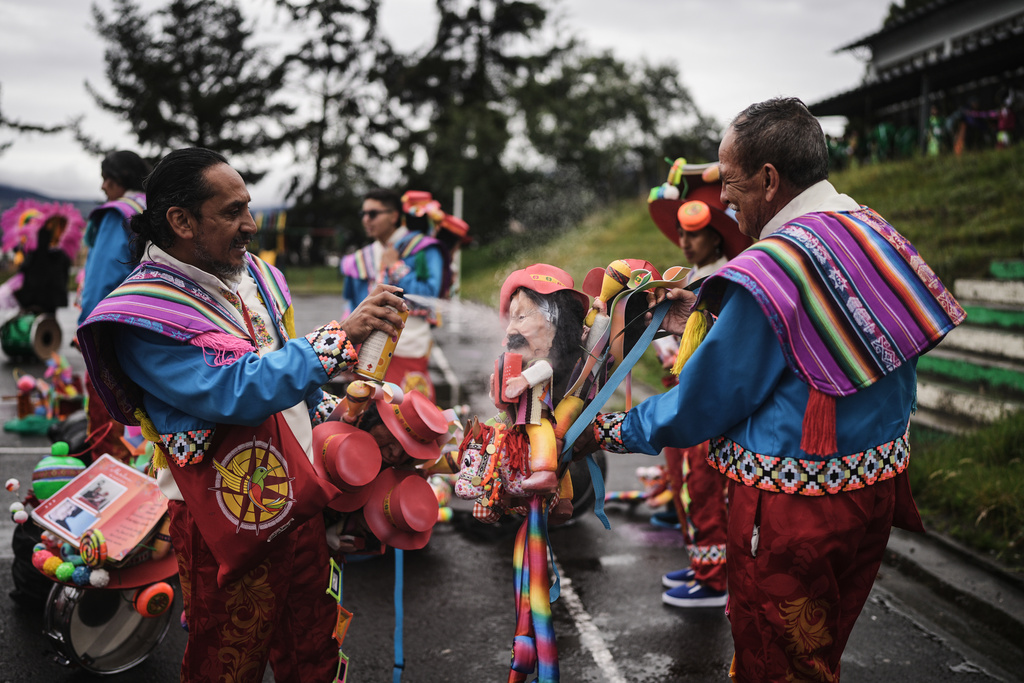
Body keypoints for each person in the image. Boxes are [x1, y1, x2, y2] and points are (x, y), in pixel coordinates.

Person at [587, 98, 965, 680]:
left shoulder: (777, 264)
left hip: (796, 513)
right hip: (873, 492)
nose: (723, 200)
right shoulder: (868, 228)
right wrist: (711, 312)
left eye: (729, 182)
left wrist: (608, 428)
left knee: (775, 662)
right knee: (818, 656)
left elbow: (704, 402)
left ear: (768, 179)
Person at [77, 147, 407, 683]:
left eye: (247, 207)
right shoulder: (142, 313)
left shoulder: (256, 275)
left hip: (298, 496)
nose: (250, 225)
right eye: (232, 212)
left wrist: (344, 411)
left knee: (314, 644)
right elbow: (235, 389)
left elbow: (286, 377)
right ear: (180, 221)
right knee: (228, 660)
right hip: (222, 518)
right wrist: (340, 337)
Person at [646, 161, 752, 608]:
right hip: (683, 399)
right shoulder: (688, 279)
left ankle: (713, 579)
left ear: (718, 235)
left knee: (704, 489)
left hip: (706, 407)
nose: (683, 241)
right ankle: (700, 565)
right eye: (681, 233)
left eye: (693, 232)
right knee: (686, 486)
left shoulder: (726, 279)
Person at [77, 150, 151, 463]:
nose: (103, 188)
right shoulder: (159, 209)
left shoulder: (117, 214)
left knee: (109, 415)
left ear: (117, 180)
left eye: (106, 180)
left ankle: (112, 488)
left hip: (117, 327)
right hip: (159, 323)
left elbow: (101, 280)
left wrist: (86, 329)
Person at [340, 188, 446, 400]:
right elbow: (351, 305)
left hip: (407, 346)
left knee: (407, 417)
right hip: (366, 348)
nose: (366, 220)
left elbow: (430, 295)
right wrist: (344, 342)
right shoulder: (361, 258)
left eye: (373, 214)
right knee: (367, 416)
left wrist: (396, 267)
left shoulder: (422, 248)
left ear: (394, 215)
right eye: (364, 214)